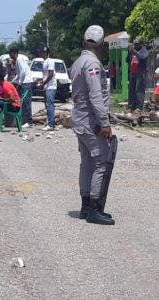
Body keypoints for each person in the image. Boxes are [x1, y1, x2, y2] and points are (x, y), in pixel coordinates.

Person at [70, 25, 115, 225]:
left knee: (86, 162)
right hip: (91, 122)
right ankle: (95, 209)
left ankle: (85, 206)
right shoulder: (92, 64)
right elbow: (96, 95)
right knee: (101, 162)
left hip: (79, 119)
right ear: (101, 44)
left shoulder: (78, 61)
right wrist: (104, 123)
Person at [9, 48, 34, 129]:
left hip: (26, 82)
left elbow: (23, 72)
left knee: (27, 102)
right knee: (23, 102)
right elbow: (18, 74)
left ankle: (29, 122)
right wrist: (12, 81)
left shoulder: (19, 60)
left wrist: (20, 82)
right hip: (23, 82)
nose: (10, 55)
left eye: (11, 53)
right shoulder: (17, 62)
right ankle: (24, 120)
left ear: (15, 53)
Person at [128, 37, 149, 112]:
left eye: (136, 44)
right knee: (132, 90)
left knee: (139, 90)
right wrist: (130, 52)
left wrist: (134, 52)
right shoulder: (133, 50)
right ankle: (131, 106)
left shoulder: (144, 50)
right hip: (133, 72)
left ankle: (139, 108)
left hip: (141, 73)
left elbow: (142, 57)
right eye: (134, 43)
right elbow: (127, 60)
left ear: (141, 44)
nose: (135, 45)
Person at [38, 47, 56, 131]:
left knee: (50, 105)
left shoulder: (50, 61)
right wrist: (41, 82)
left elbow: (51, 74)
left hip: (51, 86)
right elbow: (45, 75)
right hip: (46, 86)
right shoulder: (44, 62)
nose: (41, 53)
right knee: (47, 105)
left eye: (42, 52)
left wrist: (44, 83)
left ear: (46, 53)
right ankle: (49, 122)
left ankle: (51, 125)